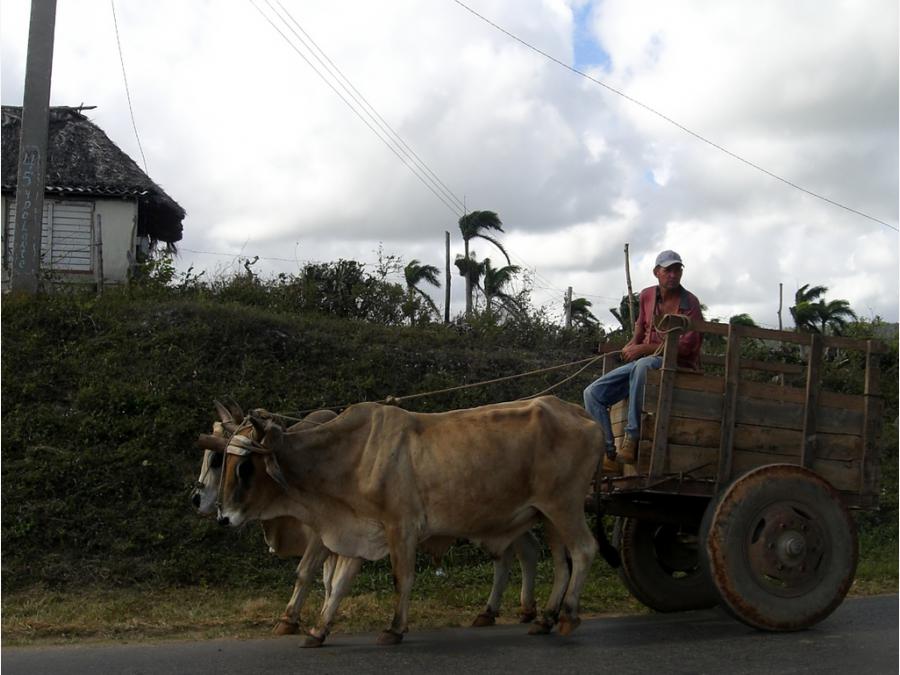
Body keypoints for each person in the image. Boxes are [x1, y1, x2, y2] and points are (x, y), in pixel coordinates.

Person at [583, 250, 703, 465]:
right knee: (592, 393)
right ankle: (607, 452)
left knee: (643, 366)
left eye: (677, 270)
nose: (673, 275)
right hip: (645, 361)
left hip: (675, 363)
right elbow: (641, 327)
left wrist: (643, 349)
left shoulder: (690, 303)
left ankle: (632, 437)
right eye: (668, 270)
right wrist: (632, 344)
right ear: (657, 272)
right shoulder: (647, 295)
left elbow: (685, 348)